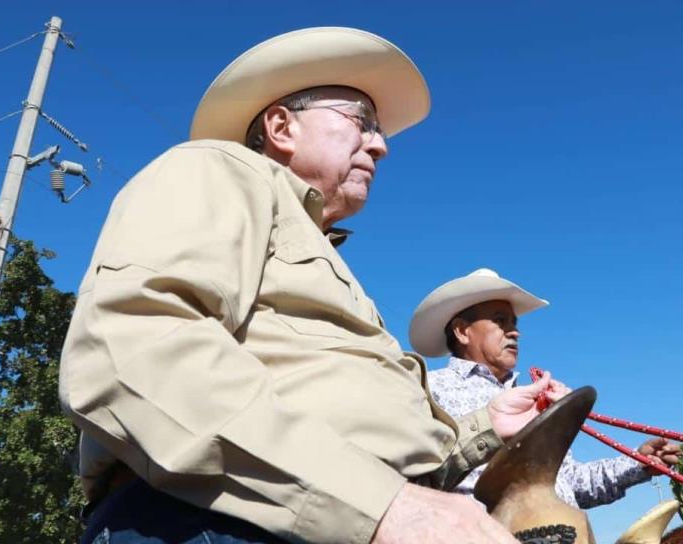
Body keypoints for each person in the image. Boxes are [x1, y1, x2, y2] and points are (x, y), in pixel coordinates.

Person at [59, 28, 558, 544]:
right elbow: (132, 351)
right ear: (281, 127)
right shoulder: (219, 169)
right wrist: (383, 506)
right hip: (215, 522)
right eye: (361, 123)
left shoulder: (327, 259)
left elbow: (361, 447)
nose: (381, 146)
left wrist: (484, 430)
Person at [409, 268, 681, 509]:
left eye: (514, 323)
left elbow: (571, 484)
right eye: (500, 320)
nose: (514, 332)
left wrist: (639, 464)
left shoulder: (536, 399)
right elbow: (413, 479)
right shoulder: (429, 389)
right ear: (462, 331)